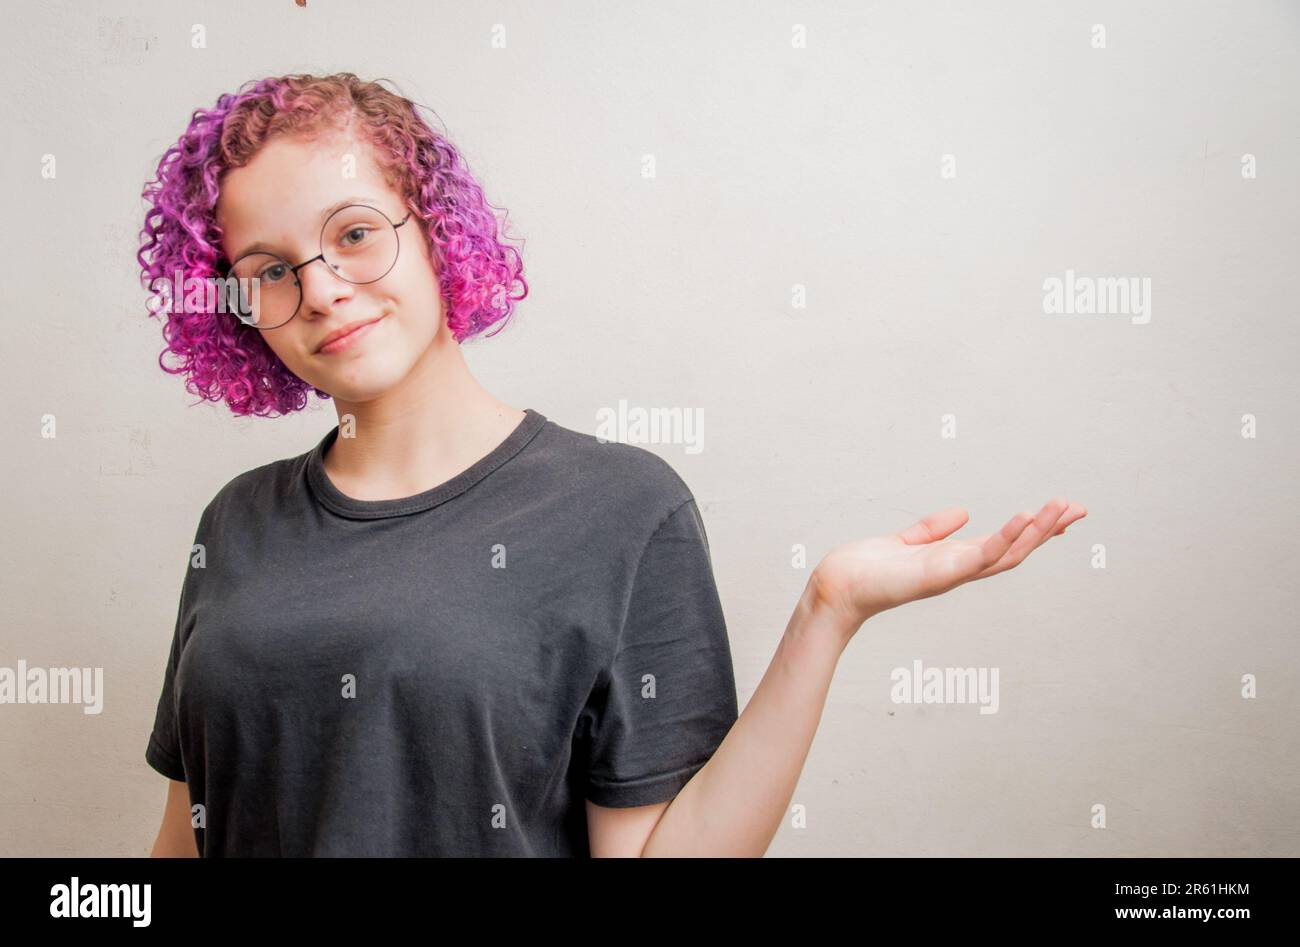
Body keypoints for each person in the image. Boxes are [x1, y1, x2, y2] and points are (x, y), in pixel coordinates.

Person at [139, 72, 1086, 858]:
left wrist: (827, 613)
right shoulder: (235, 524)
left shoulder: (620, 509)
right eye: (270, 268)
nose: (321, 290)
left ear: (434, 229)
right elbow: (185, 838)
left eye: (353, 233)